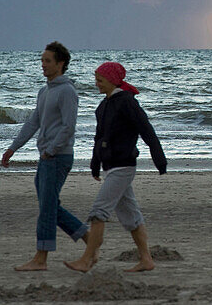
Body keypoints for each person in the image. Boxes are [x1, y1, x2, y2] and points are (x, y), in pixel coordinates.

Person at [65, 62, 168, 272]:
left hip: (124, 166)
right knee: (131, 216)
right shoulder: (103, 106)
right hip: (110, 167)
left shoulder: (127, 103)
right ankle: (146, 259)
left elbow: (146, 130)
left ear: (112, 80)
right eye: (96, 79)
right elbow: (99, 138)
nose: (97, 84)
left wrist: (159, 158)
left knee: (98, 211)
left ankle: (88, 259)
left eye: (100, 80)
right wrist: (95, 164)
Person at [1, 42, 89, 271]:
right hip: (46, 156)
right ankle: (89, 239)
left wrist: (52, 150)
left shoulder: (67, 91)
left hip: (58, 157)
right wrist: (13, 148)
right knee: (50, 206)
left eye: (47, 61)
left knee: (47, 209)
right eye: (42, 60)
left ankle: (41, 259)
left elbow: (69, 126)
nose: (43, 65)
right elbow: (33, 122)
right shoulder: (45, 90)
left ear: (60, 64)